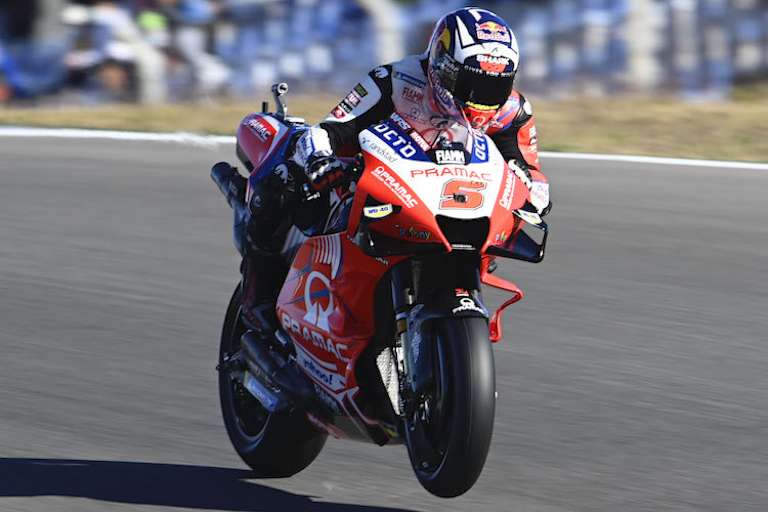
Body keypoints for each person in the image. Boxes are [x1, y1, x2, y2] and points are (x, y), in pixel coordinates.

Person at [238, 7, 551, 335]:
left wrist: (534, 197)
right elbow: (329, 130)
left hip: (454, 200)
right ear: (443, 65)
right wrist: (320, 161)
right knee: (284, 177)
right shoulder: (394, 80)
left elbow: (528, 170)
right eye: (471, 84)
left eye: (494, 88)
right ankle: (257, 294)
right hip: (381, 185)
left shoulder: (512, 111)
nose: (482, 100)